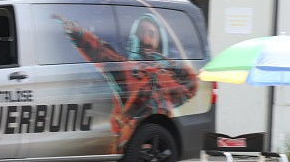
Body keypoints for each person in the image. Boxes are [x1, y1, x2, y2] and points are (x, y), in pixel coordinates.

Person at [55, 11, 198, 153]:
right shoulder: (128, 70)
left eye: (152, 34)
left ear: (159, 42)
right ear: (135, 39)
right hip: (127, 143)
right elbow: (100, 52)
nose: (146, 39)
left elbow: (190, 86)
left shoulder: (166, 77)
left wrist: (171, 64)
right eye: (142, 33)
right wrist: (77, 33)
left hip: (154, 144)